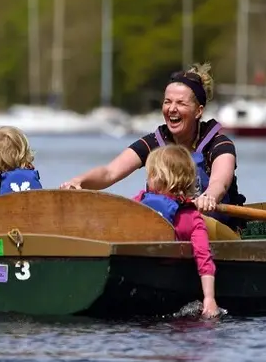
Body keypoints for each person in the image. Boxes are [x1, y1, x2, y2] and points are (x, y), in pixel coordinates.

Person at [60, 62, 247, 230]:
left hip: (215, 231)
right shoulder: (155, 142)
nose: (172, 108)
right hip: (166, 231)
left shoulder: (219, 144)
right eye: (167, 102)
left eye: (180, 103)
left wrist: (209, 197)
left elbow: (219, 183)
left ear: (198, 111)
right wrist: (79, 181)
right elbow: (110, 172)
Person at [135, 144, 219, 318]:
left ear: (159, 177)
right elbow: (204, 258)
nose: (147, 179)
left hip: (142, 273)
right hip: (155, 273)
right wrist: (209, 298)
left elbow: (203, 256)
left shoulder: (140, 202)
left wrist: (210, 298)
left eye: (150, 174)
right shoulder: (192, 217)